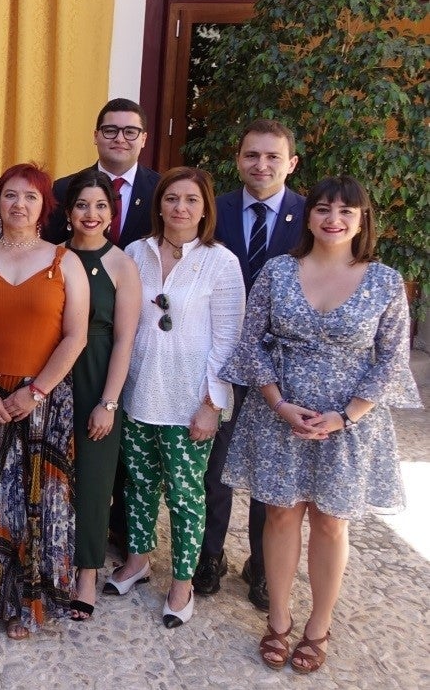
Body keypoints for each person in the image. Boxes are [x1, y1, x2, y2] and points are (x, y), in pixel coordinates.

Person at [221, 176, 416, 674]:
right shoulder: (277, 271)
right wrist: (279, 403)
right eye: (324, 209)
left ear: (361, 220)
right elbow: (250, 342)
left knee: (330, 522)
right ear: (308, 216)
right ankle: (279, 622)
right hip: (279, 416)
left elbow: (391, 359)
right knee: (282, 515)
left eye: (346, 212)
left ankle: (318, 627)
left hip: (349, 424)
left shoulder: (385, 281)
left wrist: (346, 415)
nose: (334, 219)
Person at [0, 162, 88, 639]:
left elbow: (75, 336)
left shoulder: (64, 261)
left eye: (29, 196)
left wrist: (36, 390)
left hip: (43, 401)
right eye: (10, 195)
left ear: (44, 206)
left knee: (35, 499)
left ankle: (29, 596)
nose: (18, 204)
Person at [105, 167, 245, 629]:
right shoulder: (134, 253)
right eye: (171, 199)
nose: (180, 208)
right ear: (158, 204)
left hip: (190, 400)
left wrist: (212, 403)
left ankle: (182, 581)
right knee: (138, 486)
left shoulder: (219, 261)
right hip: (139, 391)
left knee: (186, 495)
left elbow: (229, 339)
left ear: (205, 208)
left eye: (191, 200)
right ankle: (139, 559)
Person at [195, 119, 304, 610]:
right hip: (220, 356)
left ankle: (262, 566)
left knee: (269, 471)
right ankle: (209, 554)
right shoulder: (213, 210)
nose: (261, 165)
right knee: (213, 467)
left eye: (272, 157)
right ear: (237, 159)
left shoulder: (310, 215)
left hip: (282, 367)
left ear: (291, 163)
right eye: (251, 155)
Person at [60, 170, 141, 620]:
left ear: (112, 213)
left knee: (93, 481)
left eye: (101, 206)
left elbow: (126, 338)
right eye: (82, 206)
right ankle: (52, 560)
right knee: (53, 475)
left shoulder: (122, 264)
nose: (91, 215)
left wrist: (109, 402)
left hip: (97, 375)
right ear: (68, 213)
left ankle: (87, 573)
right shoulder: (53, 256)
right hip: (53, 375)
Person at [45, 98, 160, 249]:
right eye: (110, 131)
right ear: (95, 136)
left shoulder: (161, 190)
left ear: (143, 139)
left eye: (130, 132)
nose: (120, 139)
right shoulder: (64, 188)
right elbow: (51, 248)